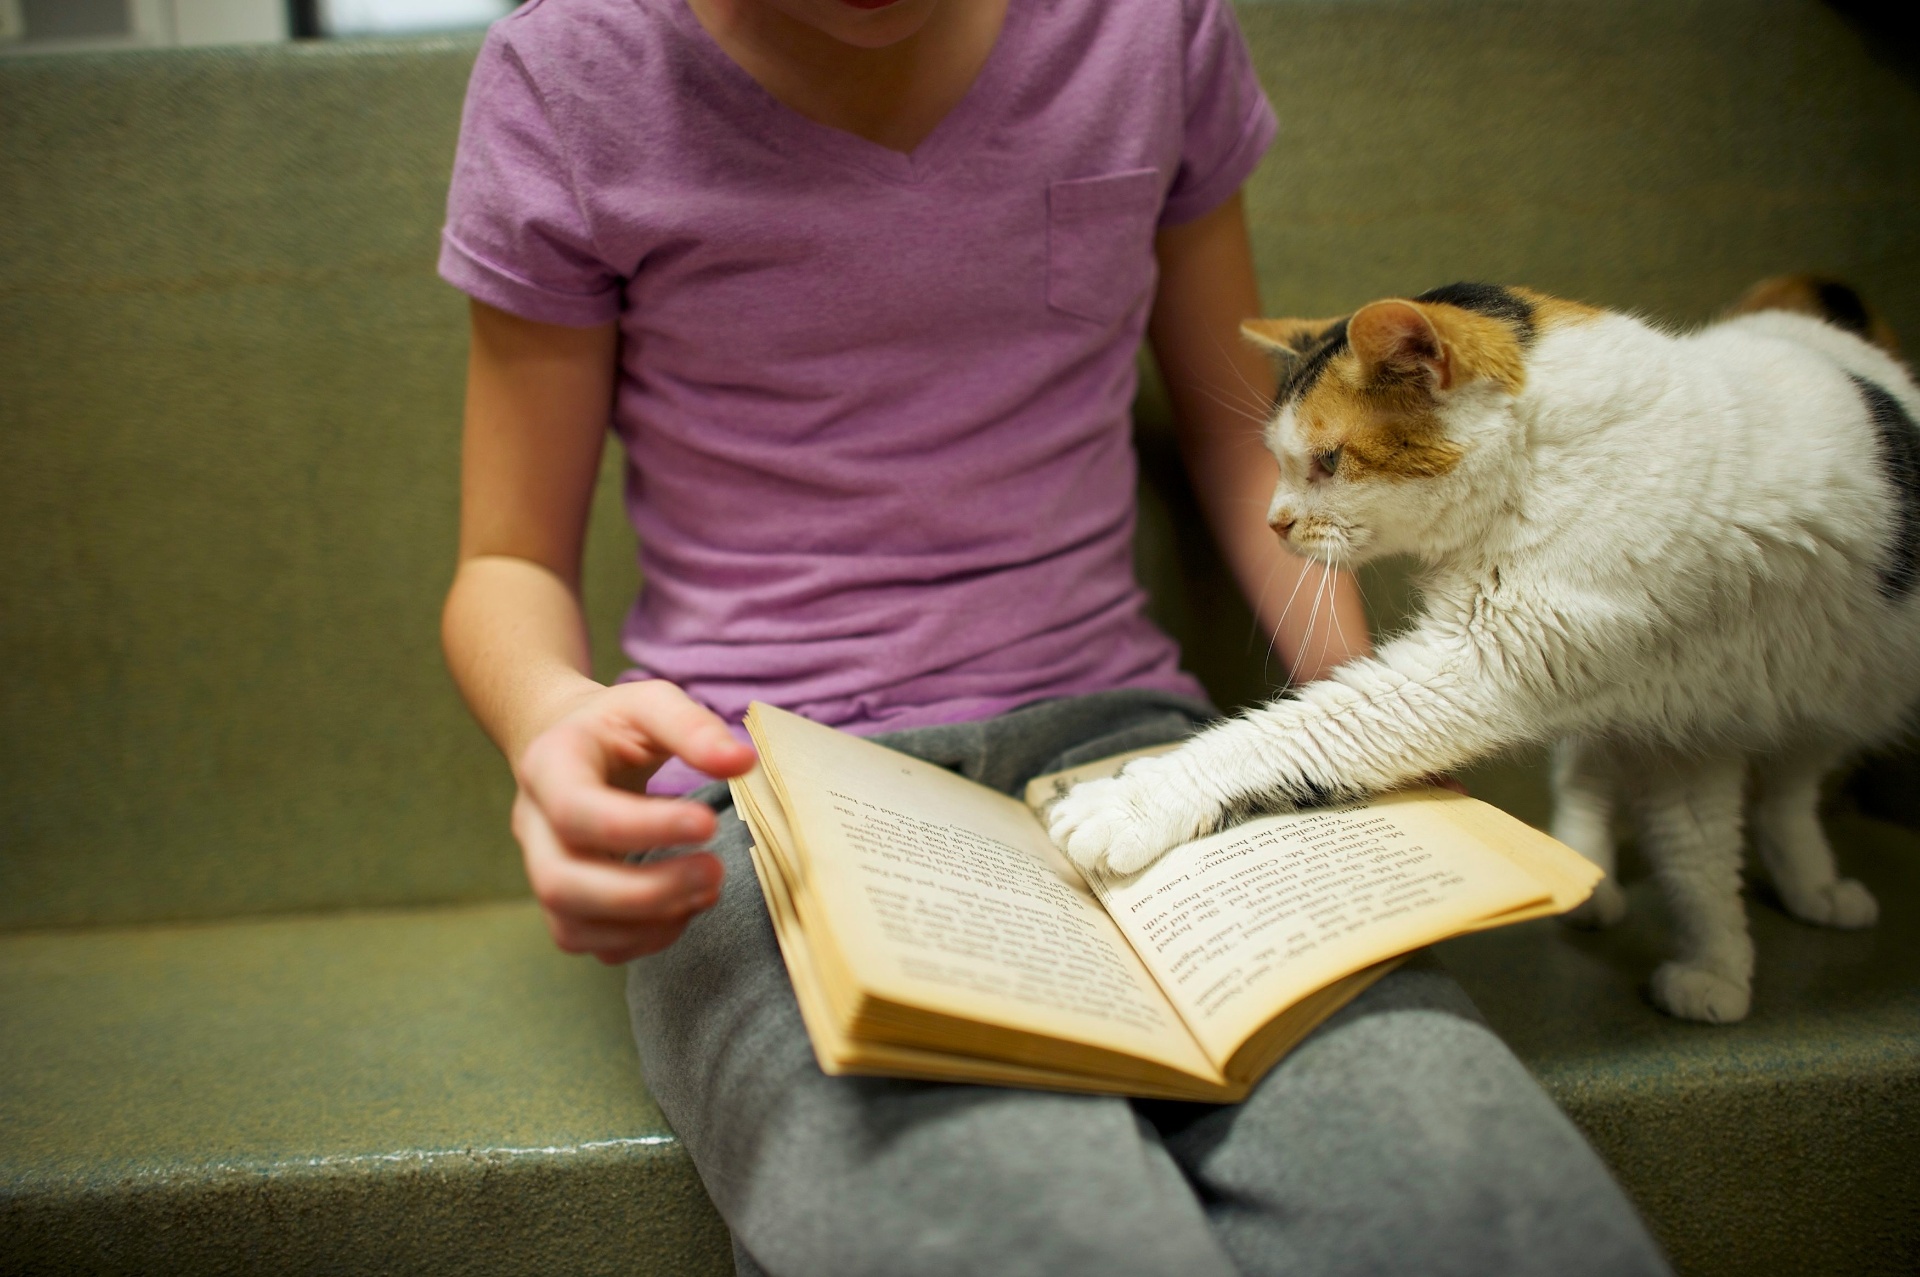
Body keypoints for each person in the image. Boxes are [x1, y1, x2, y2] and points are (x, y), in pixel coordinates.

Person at [437, 0, 1673, 1273]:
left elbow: (1244, 433)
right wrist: (552, 721)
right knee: (1019, 1228)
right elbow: (505, 560)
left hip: (1137, 747)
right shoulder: (573, 72)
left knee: (1485, 1196)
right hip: (766, 795)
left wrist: (1357, 715)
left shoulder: (1145, 29)